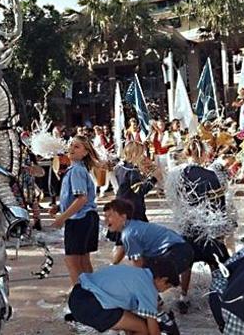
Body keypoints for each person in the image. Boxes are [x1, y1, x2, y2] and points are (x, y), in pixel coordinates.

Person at [171, 137, 231, 314]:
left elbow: (175, 201)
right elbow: (218, 204)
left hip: (188, 226)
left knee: (186, 262)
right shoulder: (210, 175)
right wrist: (220, 227)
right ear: (203, 153)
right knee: (216, 261)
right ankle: (221, 294)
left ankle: (183, 296)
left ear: (186, 153)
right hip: (207, 227)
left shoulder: (177, 175)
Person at [67, 257, 180, 335]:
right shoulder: (149, 288)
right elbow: (153, 331)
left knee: (133, 323)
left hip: (76, 297)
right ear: (163, 280)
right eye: (167, 288)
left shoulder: (134, 272)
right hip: (92, 307)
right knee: (142, 328)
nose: (163, 291)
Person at [50, 135, 100, 285]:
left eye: (77, 146)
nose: (71, 148)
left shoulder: (77, 170)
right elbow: (78, 198)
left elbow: (82, 198)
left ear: (85, 153)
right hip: (87, 217)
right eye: (71, 145)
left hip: (79, 220)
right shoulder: (77, 170)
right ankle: (93, 294)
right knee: (83, 260)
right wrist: (59, 207)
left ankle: (80, 296)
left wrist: (62, 217)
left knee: (72, 260)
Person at [104, 199, 193, 273]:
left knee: (147, 279)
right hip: (182, 249)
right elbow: (124, 250)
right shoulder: (133, 226)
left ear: (123, 217)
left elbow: (138, 266)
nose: (106, 220)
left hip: (177, 253)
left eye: (110, 216)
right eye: (105, 216)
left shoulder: (128, 234)